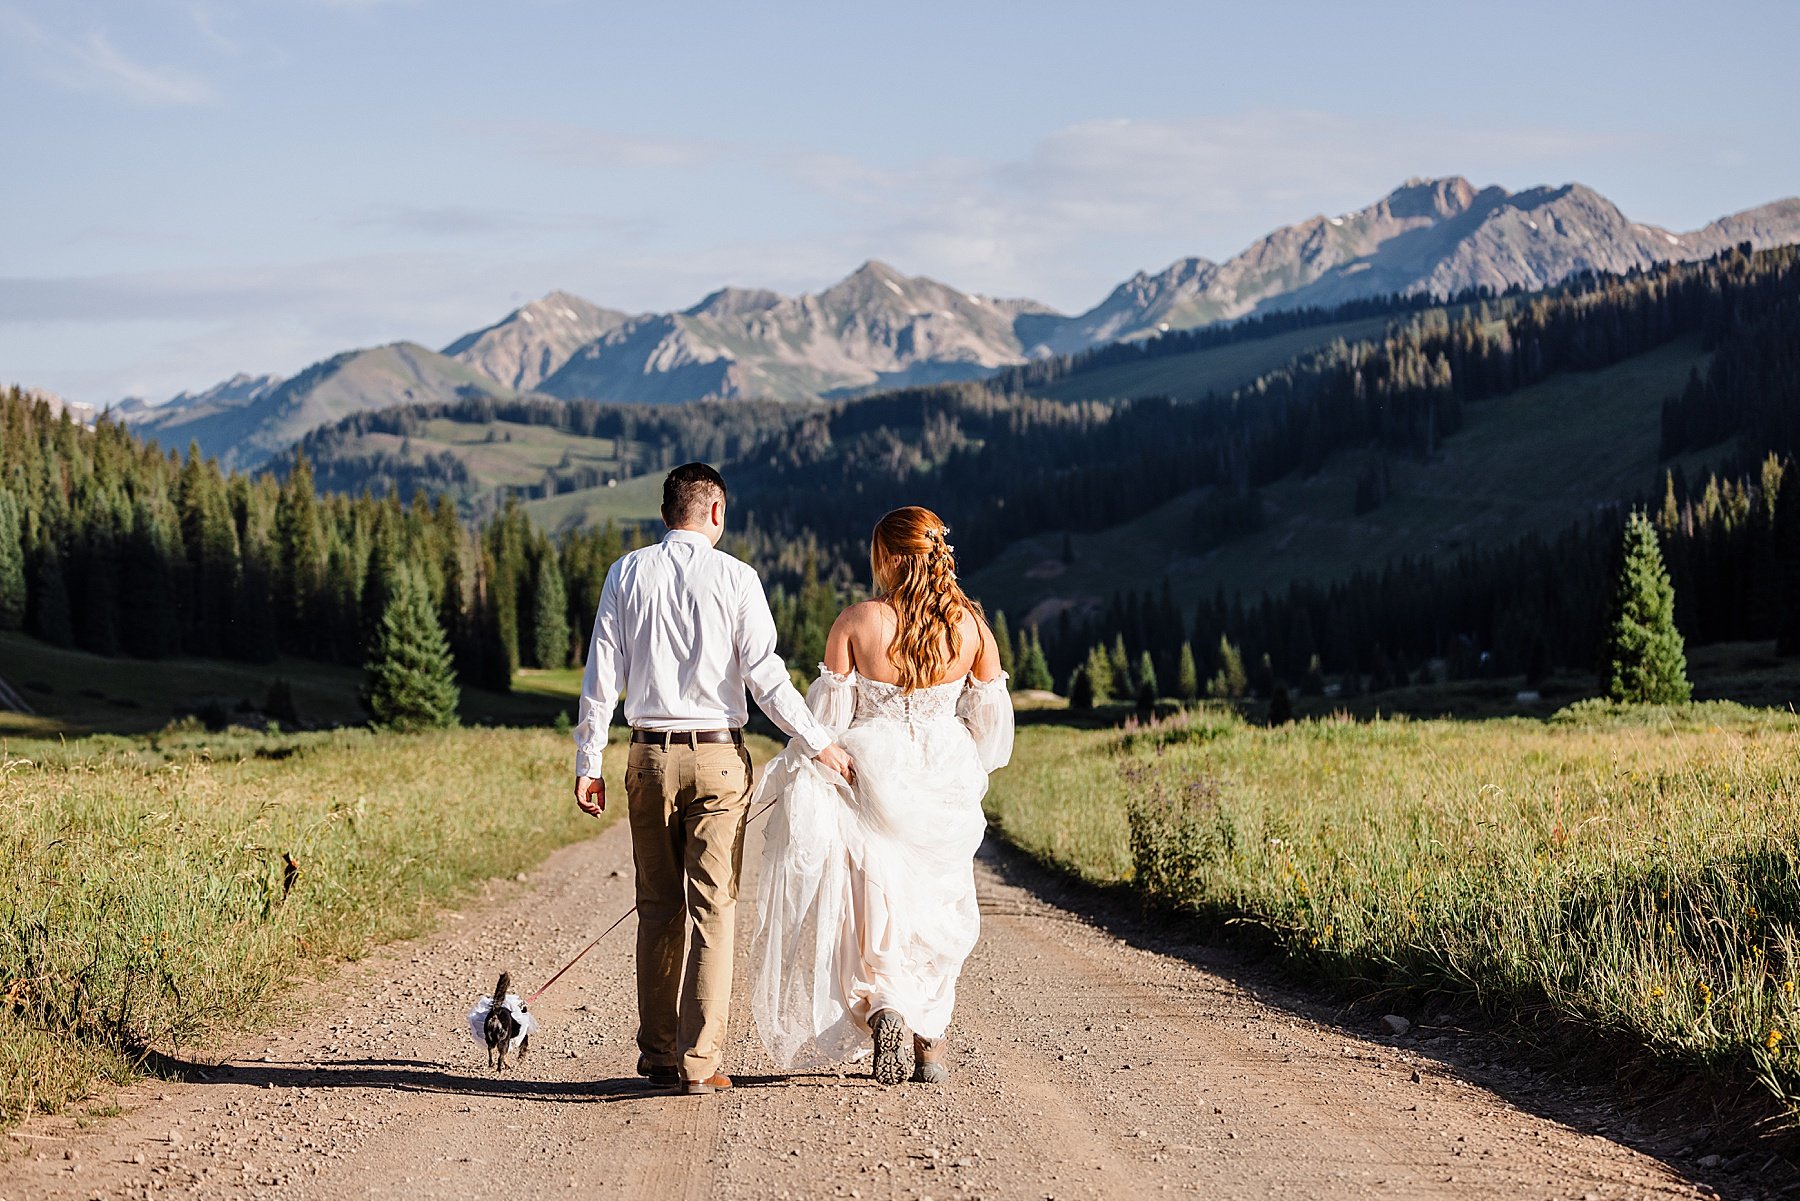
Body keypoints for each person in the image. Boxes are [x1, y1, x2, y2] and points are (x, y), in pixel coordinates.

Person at [572, 463, 855, 1096]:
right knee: (712, 909)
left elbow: (600, 678)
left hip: (645, 757)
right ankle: (700, 1064)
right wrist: (820, 744)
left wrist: (588, 762)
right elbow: (766, 677)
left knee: (656, 907)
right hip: (719, 757)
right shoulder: (738, 578)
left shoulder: (626, 572)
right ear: (717, 511)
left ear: (667, 511)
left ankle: (658, 1054)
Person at [751, 505, 1013, 1086]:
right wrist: (953, 746)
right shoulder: (972, 627)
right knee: (937, 901)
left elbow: (827, 719)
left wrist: (810, 760)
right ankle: (930, 1041)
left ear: (891, 557)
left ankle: (884, 1001)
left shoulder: (857, 622)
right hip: (942, 774)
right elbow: (991, 729)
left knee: (875, 898)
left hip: (872, 770)